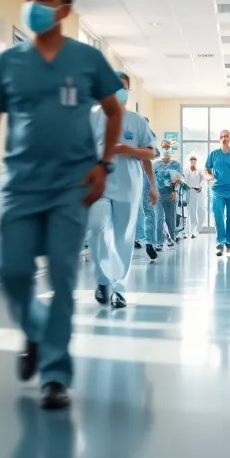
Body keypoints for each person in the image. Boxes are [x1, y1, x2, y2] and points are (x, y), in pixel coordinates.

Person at [0, 0, 124, 410]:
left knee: (62, 276)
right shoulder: (8, 62)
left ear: (63, 10)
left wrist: (104, 164)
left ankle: (55, 375)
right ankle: (37, 333)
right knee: (11, 272)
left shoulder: (86, 60)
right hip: (20, 185)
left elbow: (114, 111)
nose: (34, 4)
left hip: (71, 186)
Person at [87, 72, 158, 309]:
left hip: (129, 185)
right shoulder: (92, 119)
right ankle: (102, 279)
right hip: (99, 184)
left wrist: (127, 150)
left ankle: (118, 287)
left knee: (123, 237)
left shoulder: (137, 121)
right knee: (99, 227)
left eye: (123, 88)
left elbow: (151, 154)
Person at [151, 142, 183, 250]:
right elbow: (151, 179)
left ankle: (172, 240)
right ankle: (159, 243)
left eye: (168, 147)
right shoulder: (156, 164)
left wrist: (175, 189)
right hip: (158, 195)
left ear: (171, 149)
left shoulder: (176, 164)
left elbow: (180, 180)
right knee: (159, 218)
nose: (166, 148)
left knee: (170, 219)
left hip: (171, 194)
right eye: (164, 147)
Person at [181, 154, 206, 238]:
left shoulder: (199, 171)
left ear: (196, 162)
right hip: (188, 192)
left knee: (197, 211)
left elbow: (203, 180)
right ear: (189, 162)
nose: (193, 163)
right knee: (189, 212)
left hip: (197, 192)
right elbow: (183, 180)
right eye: (191, 161)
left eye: (194, 161)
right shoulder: (186, 171)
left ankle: (193, 231)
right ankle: (186, 232)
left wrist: (200, 186)